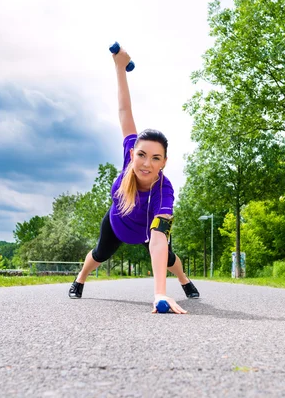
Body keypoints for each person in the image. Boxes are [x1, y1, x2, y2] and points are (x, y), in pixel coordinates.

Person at [68, 45, 200, 314]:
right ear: (132, 153)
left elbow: (159, 237)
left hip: (145, 233)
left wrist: (160, 293)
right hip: (117, 224)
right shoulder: (130, 160)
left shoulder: (164, 190)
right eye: (142, 154)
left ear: (164, 162)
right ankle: (79, 280)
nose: (146, 163)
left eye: (155, 158)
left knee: (171, 259)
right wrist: (119, 68)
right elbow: (124, 111)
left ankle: (184, 282)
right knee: (99, 255)